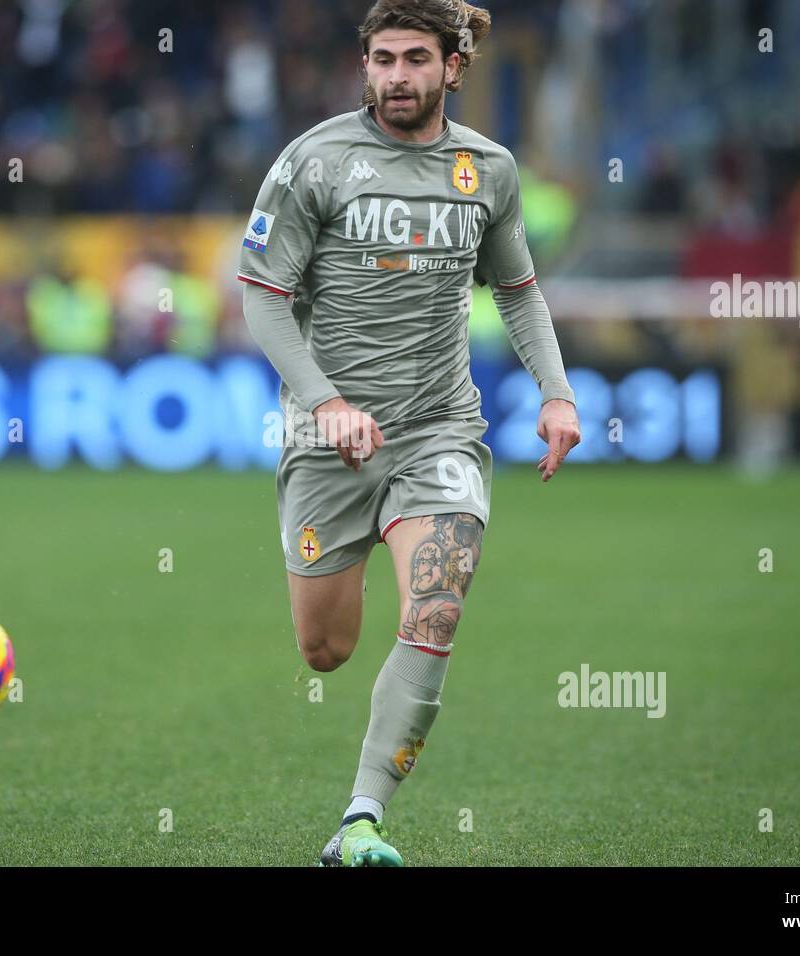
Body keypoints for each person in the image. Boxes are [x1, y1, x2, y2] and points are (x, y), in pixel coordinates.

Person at [238, 0, 580, 866]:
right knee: (326, 648)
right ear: (365, 65)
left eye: (415, 60)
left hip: (440, 429)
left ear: (452, 68)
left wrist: (556, 392)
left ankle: (360, 822)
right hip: (330, 441)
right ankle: (358, 806)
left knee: (436, 606)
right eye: (383, 59)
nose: (397, 76)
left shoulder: (488, 170)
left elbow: (518, 289)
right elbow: (262, 294)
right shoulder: (315, 161)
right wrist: (325, 403)